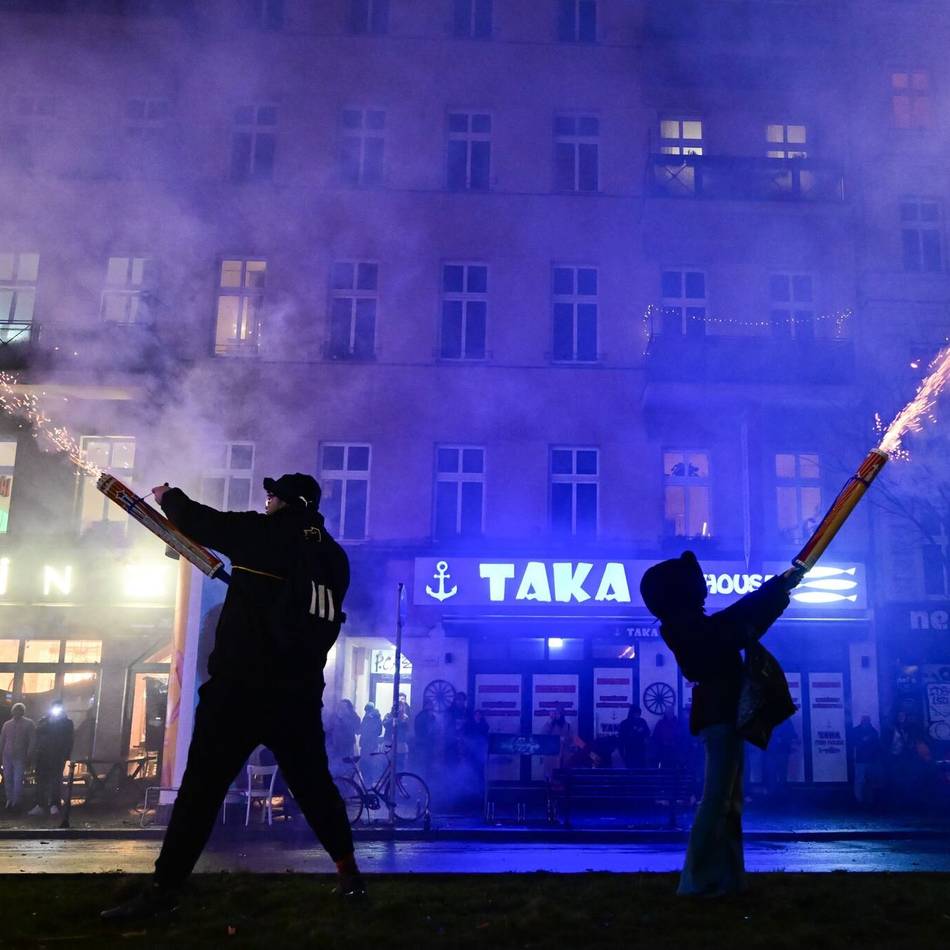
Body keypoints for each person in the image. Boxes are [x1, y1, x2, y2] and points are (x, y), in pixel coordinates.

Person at [102, 472, 364, 920]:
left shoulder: (261, 534)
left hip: (239, 690)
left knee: (201, 793)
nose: (267, 500)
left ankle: (163, 892)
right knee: (315, 788)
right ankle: (349, 877)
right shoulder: (334, 557)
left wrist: (170, 496)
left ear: (286, 502)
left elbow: (203, 522)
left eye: (273, 495)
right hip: (297, 693)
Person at [639, 550, 803, 898]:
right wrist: (776, 592)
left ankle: (727, 880)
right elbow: (734, 624)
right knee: (717, 801)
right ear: (682, 590)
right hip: (720, 715)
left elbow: (735, 622)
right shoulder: (688, 628)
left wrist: (776, 591)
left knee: (728, 802)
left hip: (721, 714)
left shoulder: (686, 626)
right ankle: (696, 881)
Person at [28, 701, 74, 816]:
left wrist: (66, 755)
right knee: (41, 780)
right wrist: (49, 720)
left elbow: (69, 739)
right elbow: (38, 732)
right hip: (43, 755)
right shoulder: (44, 720)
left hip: (57, 755)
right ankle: (40, 804)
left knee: (55, 780)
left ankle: (54, 804)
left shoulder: (67, 722)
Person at [0, 703, 35, 810]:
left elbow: (32, 740)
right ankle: (10, 799)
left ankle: (16, 801)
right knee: (8, 777)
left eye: (19, 710)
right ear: (13, 711)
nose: (17, 712)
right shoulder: (7, 724)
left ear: (23, 711)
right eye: (16, 710)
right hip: (8, 755)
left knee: (17, 778)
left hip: (20, 755)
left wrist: (29, 753)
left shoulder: (28, 724)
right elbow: (2, 739)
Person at [850, 715, 880, 807]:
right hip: (865, 759)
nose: (865, 722)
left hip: (865, 759)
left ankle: (862, 800)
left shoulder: (858, 730)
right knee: (862, 781)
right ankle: (861, 800)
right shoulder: (873, 731)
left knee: (862, 781)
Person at [617, 705, 651, 769]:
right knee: (630, 772)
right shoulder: (625, 723)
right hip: (629, 751)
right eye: (636, 713)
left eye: (639, 714)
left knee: (642, 771)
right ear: (631, 713)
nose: (637, 715)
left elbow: (648, 732)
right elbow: (621, 739)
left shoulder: (642, 721)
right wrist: (622, 754)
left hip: (641, 751)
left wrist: (642, 733)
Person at [413, 699, 439, 776]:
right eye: (431, 706)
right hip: (423, 745)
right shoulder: (423, 717)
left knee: (426, 765)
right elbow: (423, 731)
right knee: (424, 766)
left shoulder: (426, 716)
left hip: (426, 745)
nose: (432, 708)